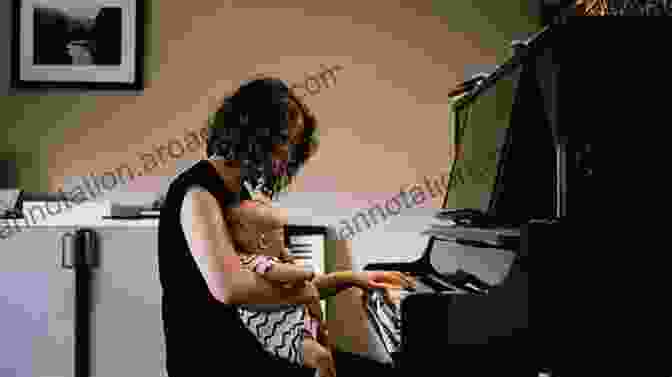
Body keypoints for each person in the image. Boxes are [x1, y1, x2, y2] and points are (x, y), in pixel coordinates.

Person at [157, 77, 412, 377]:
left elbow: (279, 287)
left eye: (290, 149)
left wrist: (354, 278)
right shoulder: (198, 193)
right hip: (219, 363)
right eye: (282, 145)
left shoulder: (242, 195)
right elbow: (230, 288)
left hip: (256, 351)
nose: (284, 161)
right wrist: (306, 294)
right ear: (252, 134)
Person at [227, 197, 410, 377]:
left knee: (328, 352)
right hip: (282, 337)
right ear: (263, 242)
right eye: (281, 234)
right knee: (322, 358)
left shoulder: (259, 254)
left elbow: (300, 288)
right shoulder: (256, 262)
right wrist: (301, 269)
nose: (285, 240)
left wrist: (353, 278)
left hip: (292, 323)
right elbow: (286, 275)